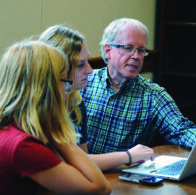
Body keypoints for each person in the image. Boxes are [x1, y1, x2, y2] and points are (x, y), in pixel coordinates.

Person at [81, 18, 196, 156]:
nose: (136, 56)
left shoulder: (153, 95)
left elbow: (182, 130)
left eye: (141, 50)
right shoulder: (83, 83)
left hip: (123, 177)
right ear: (108, 50)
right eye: (128, 48)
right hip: (80, 175)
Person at [0, 40, 111, 195]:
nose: (65, 91)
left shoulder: (10, 129)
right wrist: (59, 132)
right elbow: (100, 189)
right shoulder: (23, 146)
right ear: (46, 88)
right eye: (64, 81)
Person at [39, 24, 154, 171]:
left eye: (88, 61)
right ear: (58, 68)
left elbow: (82, 161)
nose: (89, 70)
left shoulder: (75, 100)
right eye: (80, 65)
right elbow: (74, 165)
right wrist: (127, 156)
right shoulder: (41, 109)